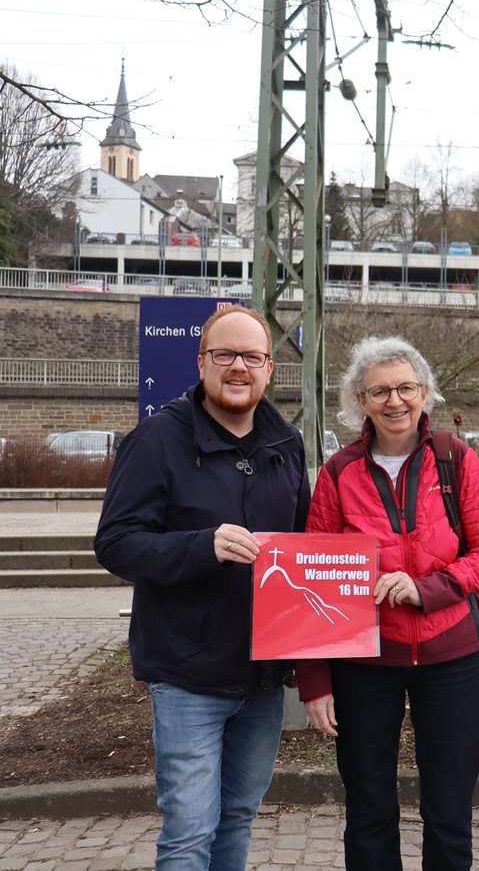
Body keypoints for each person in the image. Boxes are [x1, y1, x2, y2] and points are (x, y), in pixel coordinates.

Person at [94, 305, 311, 869]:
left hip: (263, 678)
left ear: (270, 370)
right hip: (188, 675)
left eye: (253, 357)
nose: (239, 367)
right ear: (201, 363)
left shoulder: (286, 444)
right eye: (225, 355)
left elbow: (306, 545)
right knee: (190, 833)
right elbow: (115, 543)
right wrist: (200, 546)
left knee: (238, 818)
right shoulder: (156, 440)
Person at [297, 335, 479, 869]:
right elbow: (313, 578)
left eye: (406, 388)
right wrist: (315, 679)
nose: (395, 401)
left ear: (425, 393)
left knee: (450, 812)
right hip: (366, 661)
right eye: (380, 392)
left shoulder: (457, 459)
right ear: (359, 402)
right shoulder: (337, 473)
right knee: (368, 810)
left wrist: (427, 589)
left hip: (452, 657)